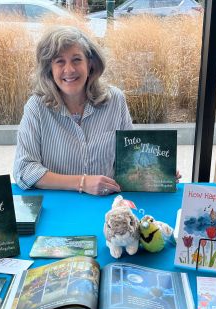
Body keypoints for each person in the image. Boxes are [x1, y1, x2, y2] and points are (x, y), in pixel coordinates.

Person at [13, 26, 132, 196]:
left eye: (76, 60)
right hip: (58, 207)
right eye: (60, 61)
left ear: (90, 63)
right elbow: (24, 170)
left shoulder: (115, 100)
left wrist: (156, 173)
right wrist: (82, 183)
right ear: (49, 69)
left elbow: (130, 157)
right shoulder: (36, 107)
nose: (69, 70)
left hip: (108, 205)